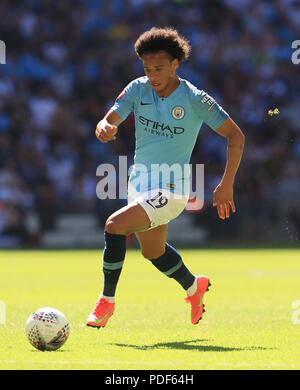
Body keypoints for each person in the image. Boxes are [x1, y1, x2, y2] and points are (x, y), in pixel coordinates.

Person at [87, 27, 245, 328]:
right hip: (139, 184)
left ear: (175, 64)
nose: (153, 75)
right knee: (153, 252)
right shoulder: (137, 89)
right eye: (147, 68)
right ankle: (193, 286)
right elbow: (108, 119)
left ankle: (106, 301)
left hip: (172, 188)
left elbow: (236, 136)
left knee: (114, 226)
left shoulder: (195, 98)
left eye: (159, 68)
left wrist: (226, 183)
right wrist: (104, 128)